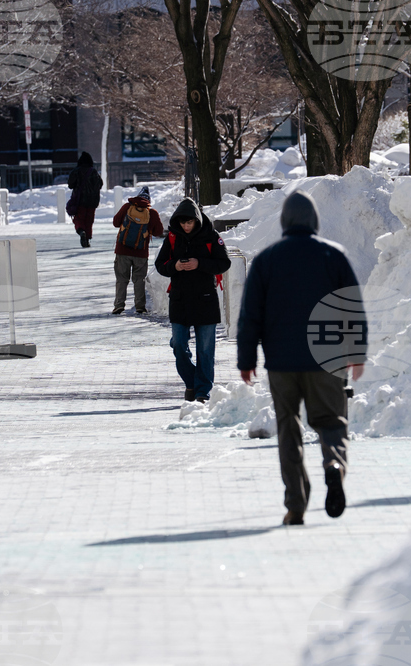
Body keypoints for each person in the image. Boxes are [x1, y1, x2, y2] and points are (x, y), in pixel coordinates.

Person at [236, 191, 364, 526]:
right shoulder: (333, 256)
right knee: (332, 422)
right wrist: (356, 352)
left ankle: (295, 506)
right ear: (314, 220)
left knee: (288, 429)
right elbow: (352, 307)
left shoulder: (267, 260)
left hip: (282, 361)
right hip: (328, 358)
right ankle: (334, 465)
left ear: (284, 221)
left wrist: (246, 359)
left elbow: (251, 314)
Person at [154, 198, 231, 401]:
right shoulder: (172, 237)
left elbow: (224, 263)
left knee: (205, 351)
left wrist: (200, 263)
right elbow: (160, 265)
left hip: (205, 299)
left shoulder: (211, 236)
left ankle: (202, 391)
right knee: (179, 345)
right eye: (183, 223)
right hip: (180, 300)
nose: (186, 227)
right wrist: (175, 266)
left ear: (197, 220)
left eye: (190, 223)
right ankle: (192, 382)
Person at [112, 186, 164, 315]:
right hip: (140, 252)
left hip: (122, 250)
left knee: (122, 279)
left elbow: (115, 222)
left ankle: (119, 305)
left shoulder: (127, 207)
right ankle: (140, 306)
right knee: (139, 280)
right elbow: (159, 232)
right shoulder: (152, 213)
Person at [67, 151, 103, 248]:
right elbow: (100, 184)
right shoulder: (94, 172)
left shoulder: (76, 171)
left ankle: (81, 231)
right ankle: (87, 240)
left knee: (79, 219)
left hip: (80, 201)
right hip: (92, 201)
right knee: (89, 220)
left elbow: (70, 185)